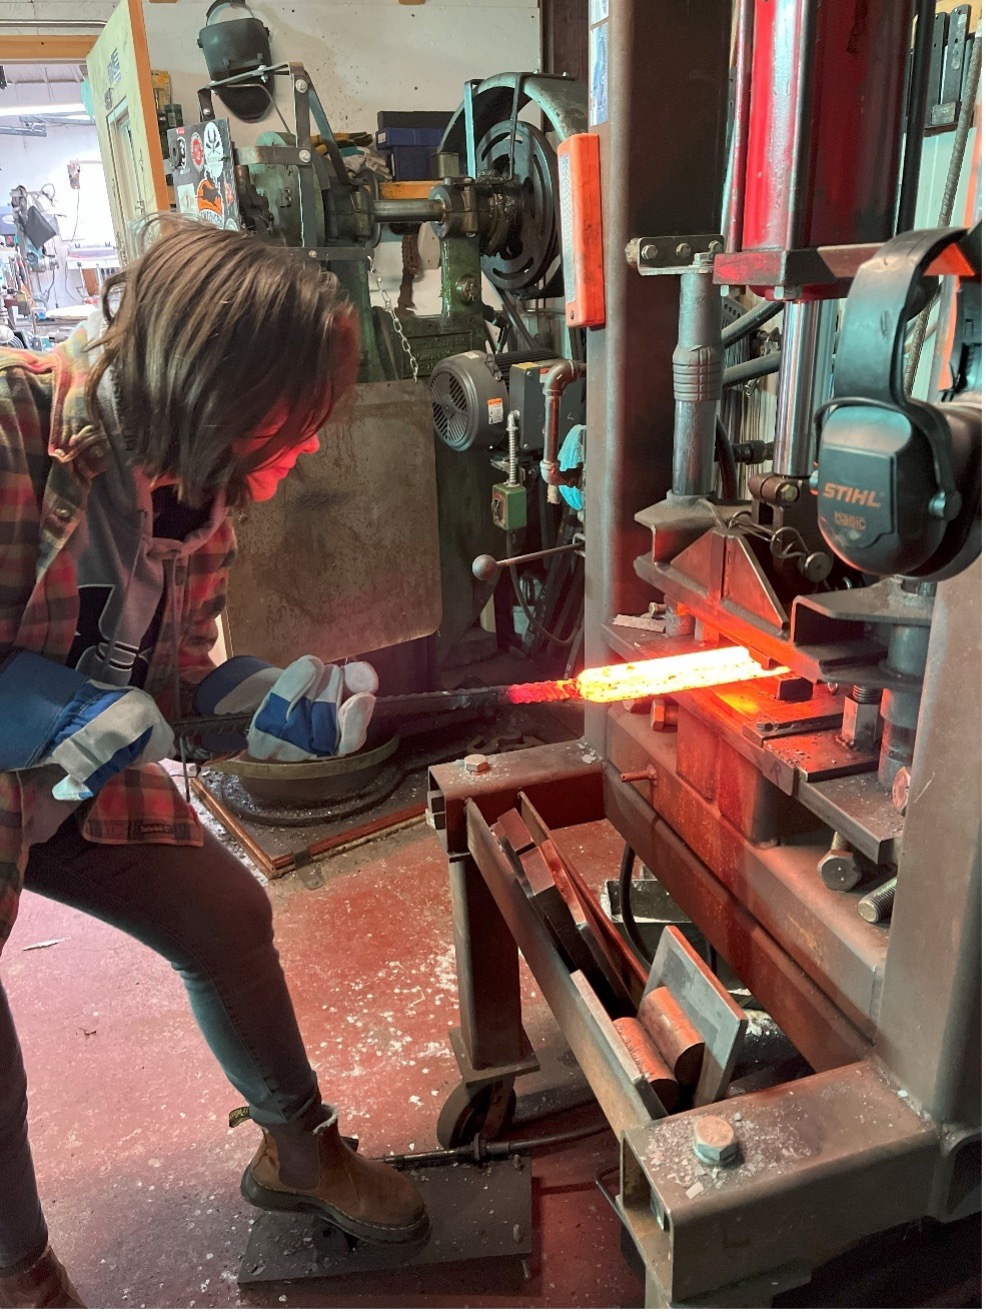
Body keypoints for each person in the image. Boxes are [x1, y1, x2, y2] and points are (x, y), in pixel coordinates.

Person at [0, 220, 427, 1310]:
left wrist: (262, 706)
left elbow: (175, 683)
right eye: (300, 415)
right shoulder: (11, 426)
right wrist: (49, 708)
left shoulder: (199, 502)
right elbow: (103, 701)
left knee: (226, 918)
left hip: (72, 787)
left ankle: (300, 1154)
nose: (316, 442)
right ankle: (21, 1269)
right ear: (212, 383)